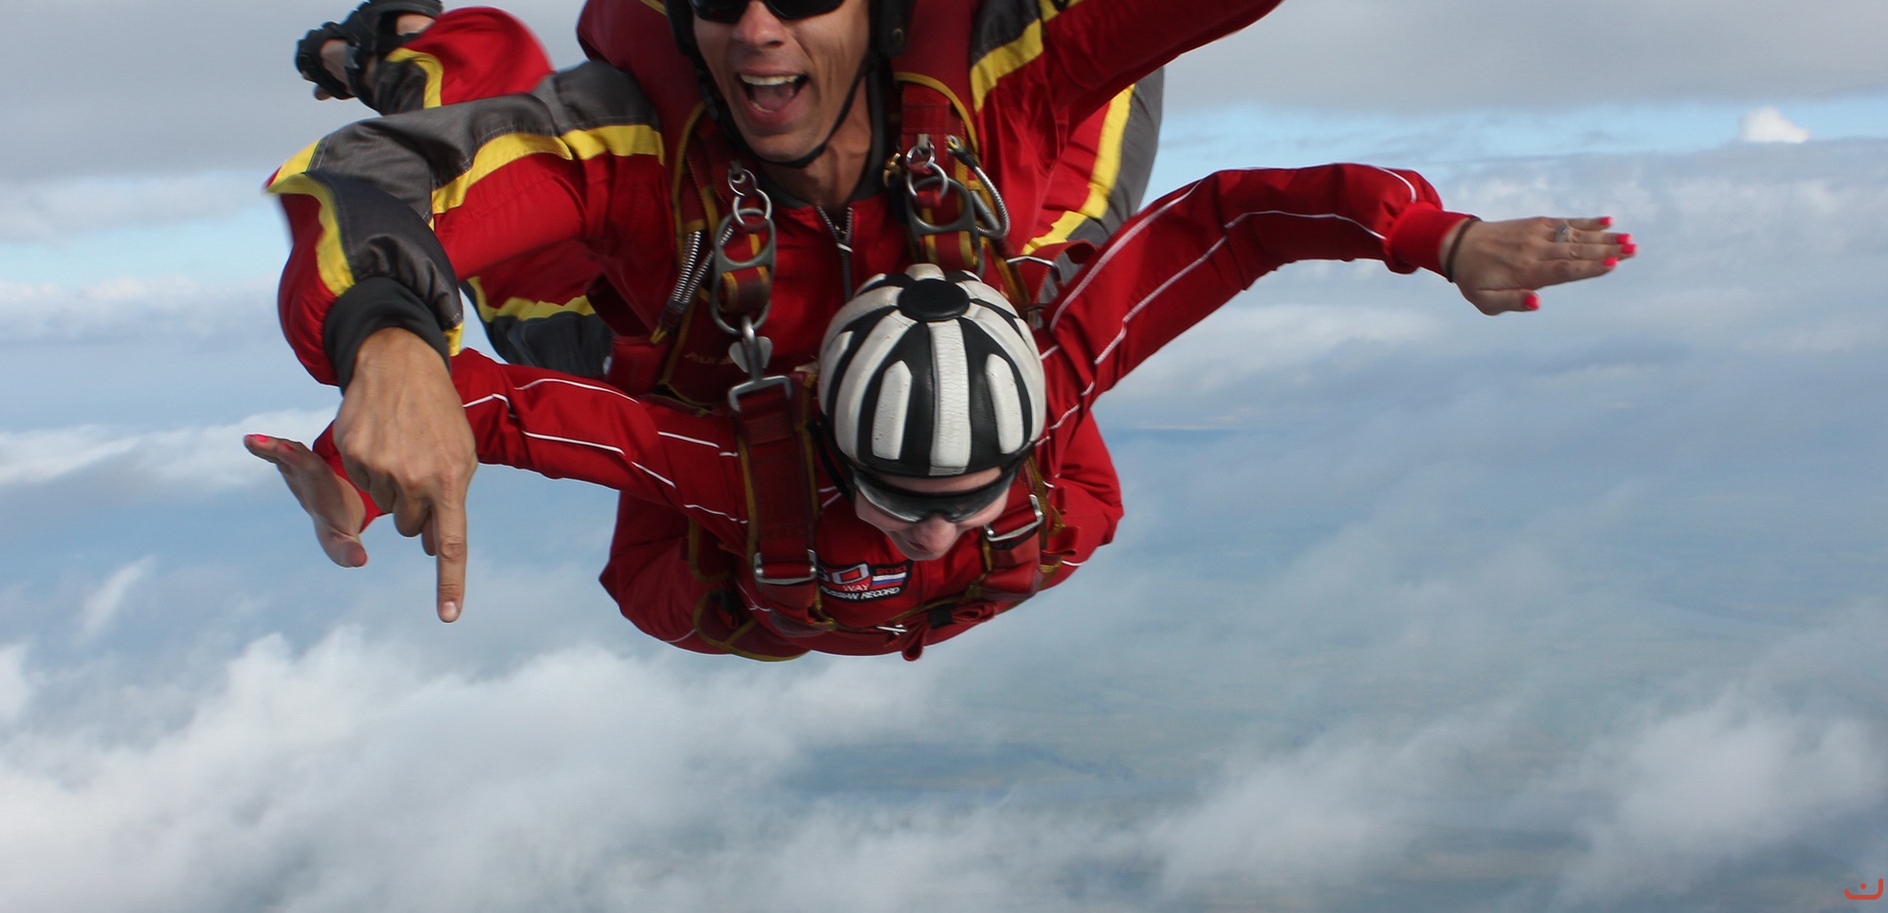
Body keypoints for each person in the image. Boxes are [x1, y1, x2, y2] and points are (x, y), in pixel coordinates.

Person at [264, 0, 1413, 626]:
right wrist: (390, 342)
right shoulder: (627, 146)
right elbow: (375, 179)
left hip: (974, 244)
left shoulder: (993, 80)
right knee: (497, 199)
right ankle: (406, 49)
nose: (759, 30)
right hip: (674, 346)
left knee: (1109, 68)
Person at [250, 162, 1633, 659]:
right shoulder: (741, 472)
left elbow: (1229, 224)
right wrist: (353, 465)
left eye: (969, 496)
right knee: (577, 314)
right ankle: (435, 73)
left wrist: (1437, 238)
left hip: (810, 557)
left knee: (1081, 175)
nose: (930, 534)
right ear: (833, 448)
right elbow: (501, 408)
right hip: (725, 554)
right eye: (899, 501)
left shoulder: (1052, 377)